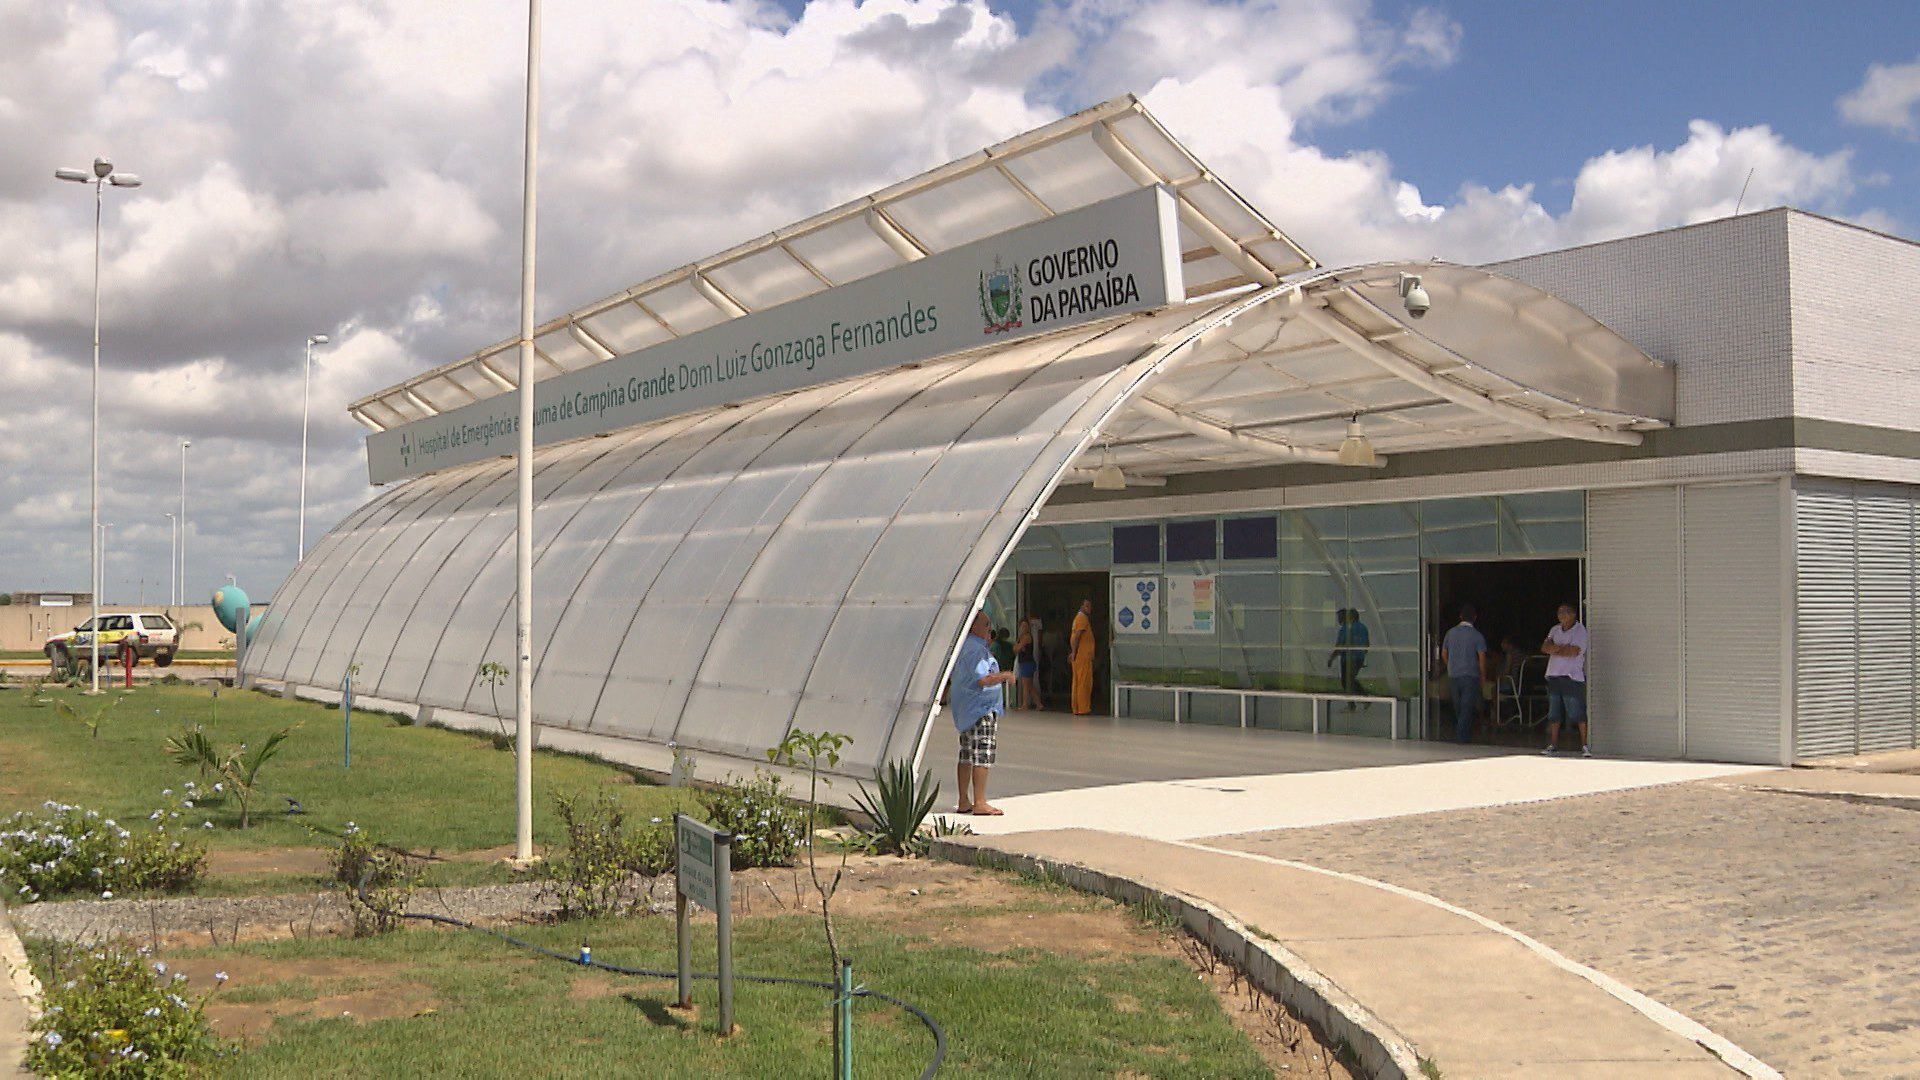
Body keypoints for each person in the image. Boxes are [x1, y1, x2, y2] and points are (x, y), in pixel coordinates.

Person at [950, 609, 1017, 815]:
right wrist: (1005, 675)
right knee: (982, 754)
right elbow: (983, 679)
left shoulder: (964, 647)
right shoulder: (977, 650)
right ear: (973, 626)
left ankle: (964, 799)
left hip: (967, 709)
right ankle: (980, 802)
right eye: (986, 625)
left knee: (966, 754)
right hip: (981, 708)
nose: (990, 629)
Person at [1541, 602, 1591, 757]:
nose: (1561, 615)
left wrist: (1555, 649)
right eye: (1559, 612)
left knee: (1577, 712)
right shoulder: (1554, 629)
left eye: (1565, 612)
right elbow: (1544, 647)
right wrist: (1561, 648)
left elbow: (1574, 651)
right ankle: (1553, 744)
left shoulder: (1580, 631)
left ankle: (1585, 745)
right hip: (1554, 675)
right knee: (1554, 712)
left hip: (1572, 676)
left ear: (1573, 614)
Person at [1440, 605, 1487, 744]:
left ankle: (1461, 733)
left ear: (1460, 616)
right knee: (1467, 706)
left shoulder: (1450, 633)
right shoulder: (1477, 636)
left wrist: (1450, 665)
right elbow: (1482, 658)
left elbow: (1444, 653)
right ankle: (1462, 736)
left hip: (1454, 674)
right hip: (1470, 675)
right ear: (1475, 618)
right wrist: (1483, 676)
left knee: (1458, 705)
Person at [1326, 608, 1370, 703]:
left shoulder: (1346, 628)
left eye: (1340, 617)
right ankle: (1363, 699)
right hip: (1359, 658)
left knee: (1346, 681)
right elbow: (1367, 644)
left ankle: (1359, 701)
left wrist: (1331, 658)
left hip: (1348, 659)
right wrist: (1362, 657)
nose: (1338, 619)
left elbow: (1340, 645)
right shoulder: (1363, 628)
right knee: (1350, 680)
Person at [1069, 599, 1097, 716]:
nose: (1089, 608)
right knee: (1084, 682)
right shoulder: (1082, 619)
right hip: (1082, 656)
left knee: (1077, 681)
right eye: (1087, 606)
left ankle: (1077, 707)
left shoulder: (1078, 618)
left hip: (1080, 655)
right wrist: (1074, 652)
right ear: (1081, 607)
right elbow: (1076, 637)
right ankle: (1083, 708)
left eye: (1090, 606)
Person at [1014, 617, 1044, 711]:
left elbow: (1017, 648)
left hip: (1027, 663)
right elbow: (1015, 648)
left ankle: (1025, 704)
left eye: (1025, 626)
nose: (1024, 628)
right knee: (1030, 686)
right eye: (1022, 626)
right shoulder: (1021, 637)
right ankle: (1039, 704)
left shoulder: (1027, 637)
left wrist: (1018, 646)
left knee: (1026, 685)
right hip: (1025, 663)